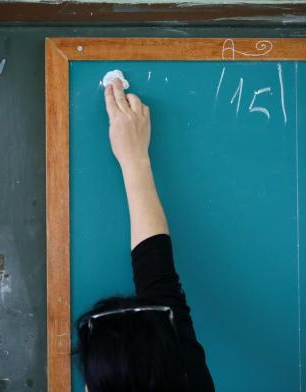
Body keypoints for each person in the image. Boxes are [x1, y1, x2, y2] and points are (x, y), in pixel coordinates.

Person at [75, 78, 215, 392]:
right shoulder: (185, 380)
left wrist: (135, 159)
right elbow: (159, 283)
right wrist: (135, 158)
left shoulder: (189, 381)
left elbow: (160, 287)